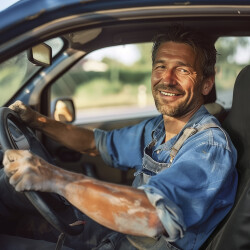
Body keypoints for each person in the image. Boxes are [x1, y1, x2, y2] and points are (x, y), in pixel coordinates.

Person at [1, 25, 238, 250]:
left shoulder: (209, 147)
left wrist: (55, 178)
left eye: (183, 70)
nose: (167, 79)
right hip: (120, 237)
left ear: (207, 84)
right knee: (20, 227)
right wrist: (36, 120)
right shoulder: (157, 129)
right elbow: (96, 144)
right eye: (161, 67)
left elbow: (152, 215)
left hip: (135, 240)